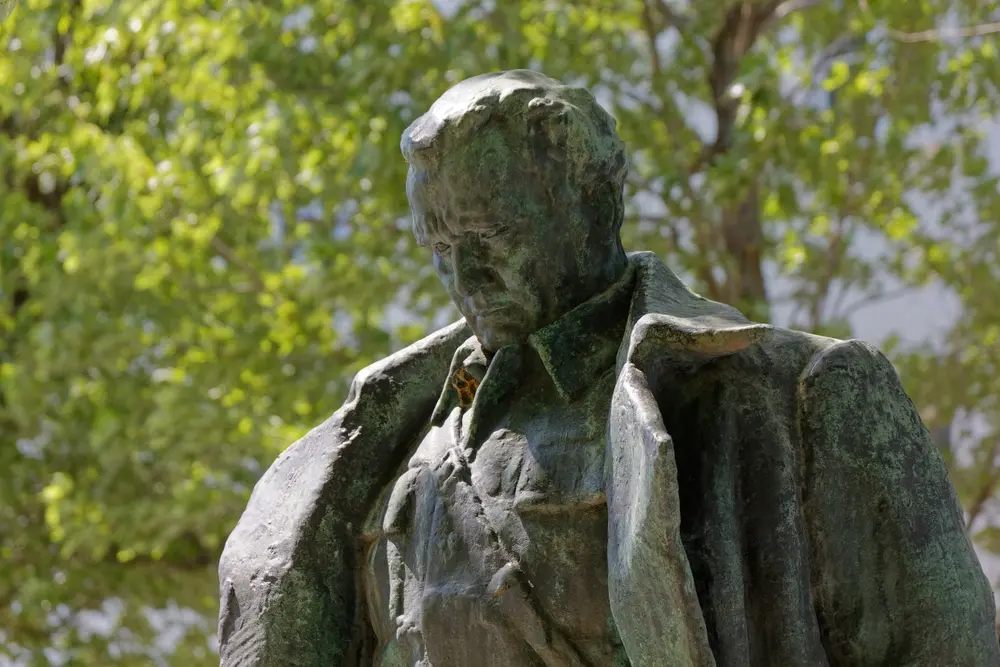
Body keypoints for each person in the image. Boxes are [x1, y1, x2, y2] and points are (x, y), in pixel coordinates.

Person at [218, 70, 999, 667]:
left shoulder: (800, 396)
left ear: (592, 202)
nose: (466, 276)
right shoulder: (395, 432)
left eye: (490, 235)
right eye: (440, 246)